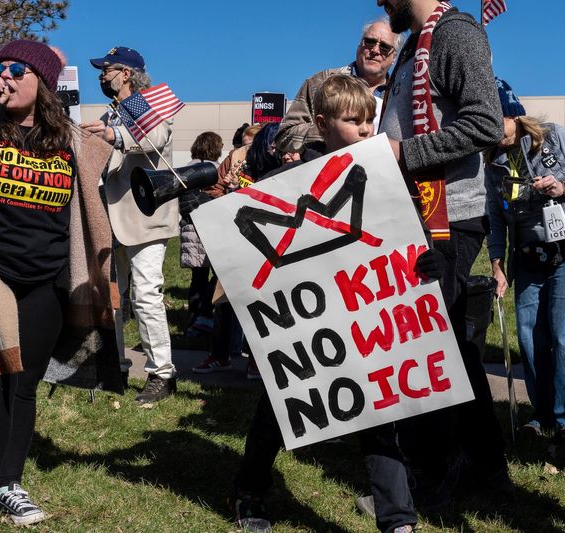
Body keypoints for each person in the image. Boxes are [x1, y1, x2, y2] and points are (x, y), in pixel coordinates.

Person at [0, 40, 119, 533]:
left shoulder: (68, 139)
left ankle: (9, 481)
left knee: (25, 384)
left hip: (46, 281)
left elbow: (108, 169)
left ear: (44, 84)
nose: (5, 75)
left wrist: (111, 135)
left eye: (18, 70)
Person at [367, 1, 509, 528]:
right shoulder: (414, 47)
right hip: (421, 214)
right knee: (451, 346)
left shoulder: (454, 33)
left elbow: (484, 122)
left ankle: (431, 477)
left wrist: (404, 155)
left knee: (424, 343)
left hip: (447, 215)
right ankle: (486, 465)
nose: (381, 3)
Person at [231, 74, 375, 533]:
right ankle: (250, 490)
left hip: (361, 311)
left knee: (379, 408)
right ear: (321, 123)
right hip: (302, 319)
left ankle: (397, 515)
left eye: (370, 120)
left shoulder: (382, 173)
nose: (367, 130)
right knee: (279, 404)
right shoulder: (287, 178)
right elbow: (244, 233)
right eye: (355, 121)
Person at [486, 79, 565, 442]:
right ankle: (542, 413)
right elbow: (494, 217)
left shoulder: (553, 137)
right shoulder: (493, 161)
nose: (491, 131)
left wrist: (564, 188)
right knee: (530, 337)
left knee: (564, 335)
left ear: (514, 115)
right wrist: (496, 262)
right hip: (527, 258)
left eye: (497, 121)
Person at [81, 46, 180, 402]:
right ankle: (116, 368)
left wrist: (114, 137)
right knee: (115, 299)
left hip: (146, 216)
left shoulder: (144, 104)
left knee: (146, 296)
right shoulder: (114, 113)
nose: (100, 77)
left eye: (105, 70)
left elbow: (156, 139)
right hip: (113, 217)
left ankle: (162, 374)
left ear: (125, 73)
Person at [192, 124, 283, 378]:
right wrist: (228, 199)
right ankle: (220, 356)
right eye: (246, 142)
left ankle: (258, 360)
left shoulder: (279, 157)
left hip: (265, 239)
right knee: (224, 300)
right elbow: (214, 186)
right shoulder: (236, 157)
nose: (249, 146)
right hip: (234, 236)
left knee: (262, 301)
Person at [275, 19, 401, 154]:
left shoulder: (402, 94)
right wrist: (332, 131)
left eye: (384, 47)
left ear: (394, 57)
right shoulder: (320, 82)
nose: (375, 50)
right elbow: (284, 136)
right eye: (369, 42)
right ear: (359, 45)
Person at [180, 132, 223, 336]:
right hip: (212, 227)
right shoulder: (216, 170)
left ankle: (193, 320)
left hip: (189, 227)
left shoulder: (185, 168)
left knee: (197, 276)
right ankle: (208, 315)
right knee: (216, 275)